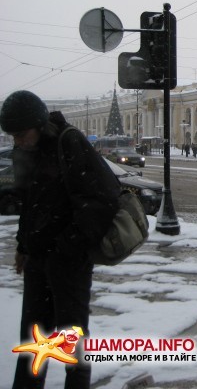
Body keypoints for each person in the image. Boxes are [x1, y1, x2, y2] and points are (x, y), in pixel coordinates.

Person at [1, 91, 120, 389]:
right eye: (12, 135)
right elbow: (30, 204)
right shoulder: (28, 152)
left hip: (69, 263)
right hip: (38, 261)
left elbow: (102, 201)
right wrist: (23, 246)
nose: (17, 140)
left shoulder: (70, 142)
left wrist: (67, 247)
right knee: (32, 341)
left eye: (21, 133)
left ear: (39, 124)